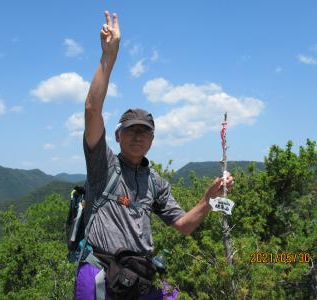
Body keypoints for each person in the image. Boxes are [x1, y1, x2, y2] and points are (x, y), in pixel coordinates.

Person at [74, 9, 235, 300]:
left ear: (152, 139)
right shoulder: (104, 166)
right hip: (101, 272)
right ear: (117, 135)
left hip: (140, 275)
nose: (138, 136)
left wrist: (209, 199)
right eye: (131, 130)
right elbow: (92, 109)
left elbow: (184, 226)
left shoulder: (155, 182)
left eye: (144, 131)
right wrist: (108, 57)